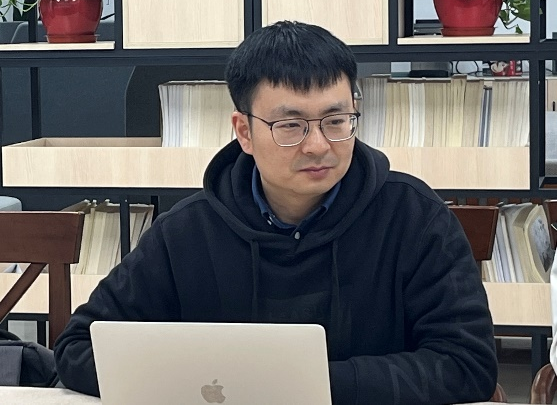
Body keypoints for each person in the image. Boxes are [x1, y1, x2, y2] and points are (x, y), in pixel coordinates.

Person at [54, 20, 498, 404]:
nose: (318, 145)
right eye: (291, 125)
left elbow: (468, 364)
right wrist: (201, 382)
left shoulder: (414, 217)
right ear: (244, 132)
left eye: (336, 120)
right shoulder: (186, 232)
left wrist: (302, 386)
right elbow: (78, 348)